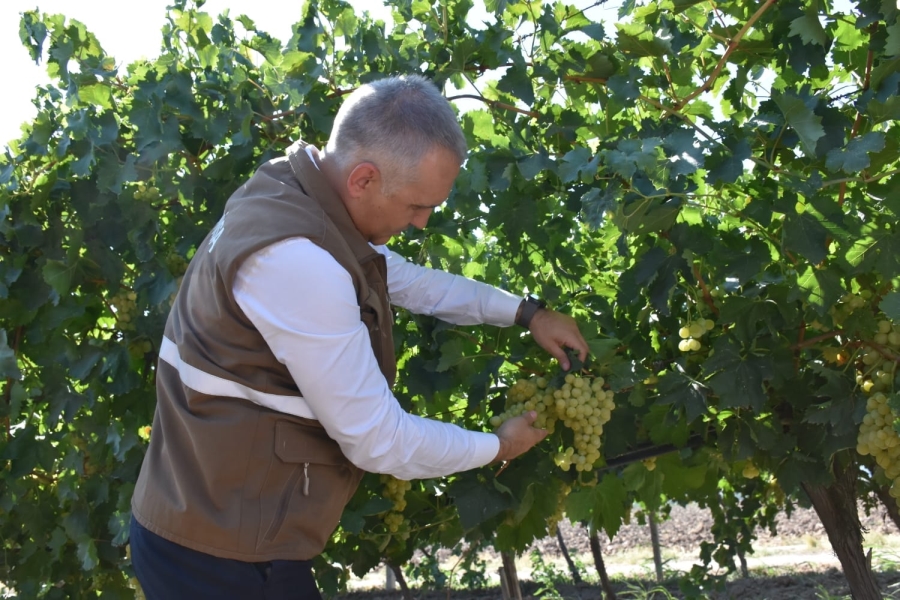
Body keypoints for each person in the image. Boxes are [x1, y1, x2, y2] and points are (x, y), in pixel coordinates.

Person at [129, 74, 589, 599]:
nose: (421, 223)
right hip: (224, 559)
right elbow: (378, 439)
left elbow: (409, 281)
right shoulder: (298, 262)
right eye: (417, 206)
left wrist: (527, 314)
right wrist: (497, 447)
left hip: (204, 524)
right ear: (364, 179)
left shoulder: (294, 193)